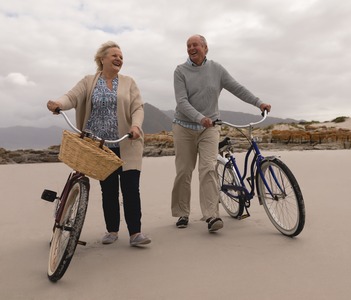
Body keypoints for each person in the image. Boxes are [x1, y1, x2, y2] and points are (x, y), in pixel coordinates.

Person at [47, 41, 151, 247]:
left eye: (121, 56)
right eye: (114, 55)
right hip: (99, 147)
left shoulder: (129, 82)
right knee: (109, 190)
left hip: (126, 144)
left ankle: (135, 233)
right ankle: (112, 230)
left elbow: (138, 108)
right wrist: (58, 103)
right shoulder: (89, 81)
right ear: (102, 59)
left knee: (131, 189)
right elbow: (72, 96)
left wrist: (136, 126)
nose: (119, 59)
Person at [171, 34, 271, 232]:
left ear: (205, 48)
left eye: (196, 45)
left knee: (208, 168)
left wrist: (259, 102)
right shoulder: (180, 71)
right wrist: (200, 118)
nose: (192, 48)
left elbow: (237, 88)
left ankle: (211, 216)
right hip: (184, 127)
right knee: (184, 171)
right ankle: (182, 212)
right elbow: (182, 101)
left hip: (210, 128)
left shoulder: (216, 69)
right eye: (188, 46)